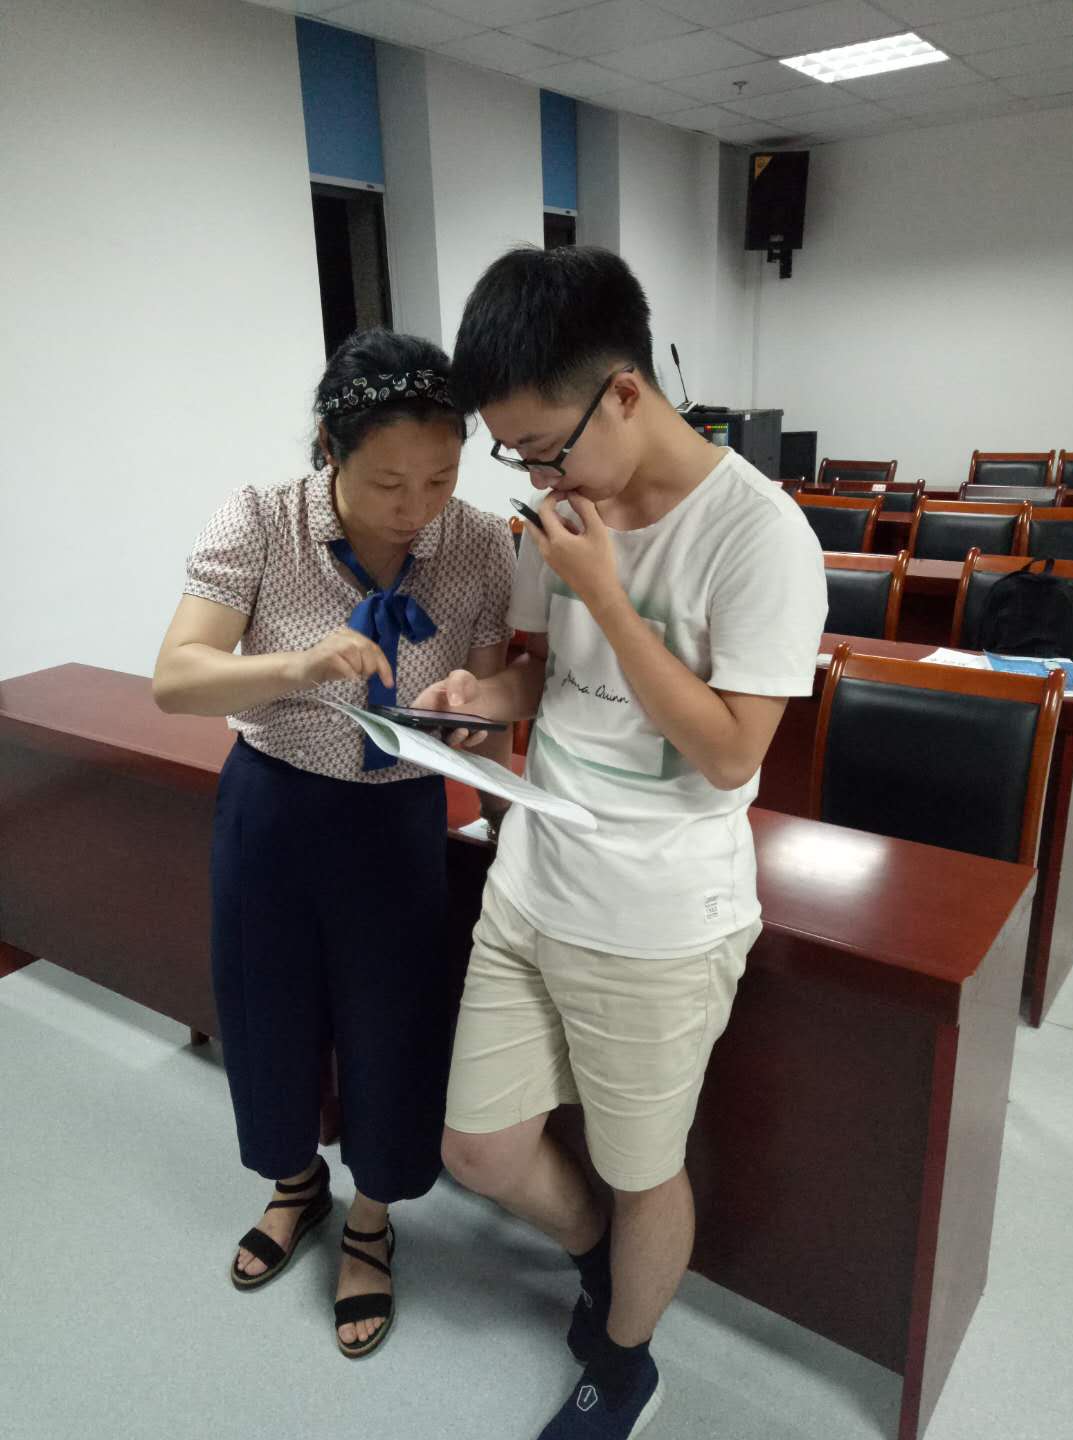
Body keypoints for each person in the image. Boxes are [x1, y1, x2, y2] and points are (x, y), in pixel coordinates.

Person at [415, 247, 828, 1437]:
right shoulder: (562, 513)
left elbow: (731, 753)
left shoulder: (760, 537)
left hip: (657, 922)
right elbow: (546, 675)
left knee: (646, 1169)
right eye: (517, 455)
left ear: (627, 392)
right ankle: (599, 1253)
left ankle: (627, 1359)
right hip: (532, 884)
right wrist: (482, 699)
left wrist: (602, 589)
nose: (538, 476)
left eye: (546, 447)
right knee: (479, 1148)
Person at [153, 329, 515, 1358]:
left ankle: (372, 1219)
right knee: (264, 1007)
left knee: (393, 1024)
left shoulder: (480, 543)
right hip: (272, 806)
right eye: (388, 482)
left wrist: (477, 716)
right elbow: (177, 677)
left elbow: (493, 689)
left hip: (399, 815)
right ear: (329, 449)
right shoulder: (261, 519)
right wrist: (300, 664)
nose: (416, 507)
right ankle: (296, 1185)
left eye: (441, 478)